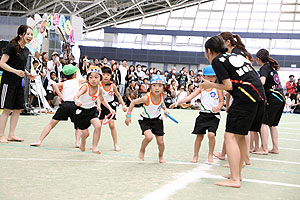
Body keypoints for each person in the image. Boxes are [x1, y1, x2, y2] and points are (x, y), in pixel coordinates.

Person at [203, 36, 265, 188]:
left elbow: (228, 86)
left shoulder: (217, 61)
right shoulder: (235, 55)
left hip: (246, 97)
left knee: (230, 136)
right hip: (259, 96)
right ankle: (237, 175)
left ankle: (235, 179)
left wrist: (209, 84)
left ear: (209, 51)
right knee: (241, 136)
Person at [170, 65, 224, 163]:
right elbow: (189, 97)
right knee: (199, 136)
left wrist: (218, 107)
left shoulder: (218, 88)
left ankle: (210, 154)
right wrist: (178, 103)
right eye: (208, 76)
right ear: (204, 77)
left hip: (214, 116)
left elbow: (221, 102)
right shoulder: (201, 88)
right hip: (203, 115)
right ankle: (195, 156)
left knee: (211, 135)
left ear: (216, 77)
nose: (211, 79)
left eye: (213, 76)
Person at [30, 64, 83, 147]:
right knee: (78, 125)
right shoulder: (78, 81)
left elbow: (54, 85)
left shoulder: (64, 83)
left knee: (51, 124)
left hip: (65, 104)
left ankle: (39, 140)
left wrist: (61, 96)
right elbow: (87, 81)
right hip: (74, 104)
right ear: (74, 74)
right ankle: (77, 142)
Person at [0, 25, 36, 143]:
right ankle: (1, 135)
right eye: (28, 34)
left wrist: (27, 74)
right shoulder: (11, 47)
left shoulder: (26, 50)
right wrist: (15, 72)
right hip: (8, 82)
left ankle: (11, 134)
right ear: (21, 35)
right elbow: (2, 63)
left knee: (17, 109)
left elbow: (19, 66)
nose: (30, 36)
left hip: (19, 83)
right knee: (7, 109)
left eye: (31, 34)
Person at [125, 75, 169, 163]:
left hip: (157, 119)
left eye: (160, 86)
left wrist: (165, 109)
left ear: (163, 87)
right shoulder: (146, 98)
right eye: (154, 85)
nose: (157, 88)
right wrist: (128, 116)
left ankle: (161, 156)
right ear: (150, 87)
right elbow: (133, 102)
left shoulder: (163, 96)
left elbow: (161, 103)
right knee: (149, 137)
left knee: (160, 142)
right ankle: (142, 150)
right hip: (145, 119)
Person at [74, 66, 115, 154]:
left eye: (96, 77)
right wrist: (77, 101)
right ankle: (83, 141)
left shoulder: (99, 89)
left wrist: (110, 109)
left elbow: (103, 100)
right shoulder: (85, 86)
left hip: (92, 110)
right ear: (87, 78)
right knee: (86, 134)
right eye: (90, 77)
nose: (93, 79)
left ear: (100, 78)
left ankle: (94, 147)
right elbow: (76, 96)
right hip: (81, 111)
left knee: (98, 126)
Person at [254, 49, 285, 155]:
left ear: (258, 59)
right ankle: (275, 148)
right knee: (273, 125)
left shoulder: (264, 68)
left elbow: (262, 82)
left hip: (272, 99)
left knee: (263, 123)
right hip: (281, 98)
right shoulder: (272, 67)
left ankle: (264, 149)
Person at [98, 66, 127, 151]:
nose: (106, 76)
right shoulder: (98, 85)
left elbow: (118, 95)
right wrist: (98, 106)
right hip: (101, 106)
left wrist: (123, 105)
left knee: (112, 125)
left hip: (111, 106)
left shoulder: (112, 86)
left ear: (111, 76)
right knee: (98, 126)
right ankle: (94, 144)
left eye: (108, 74)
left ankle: (116, 144)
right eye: (103, 74)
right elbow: (98, 97)